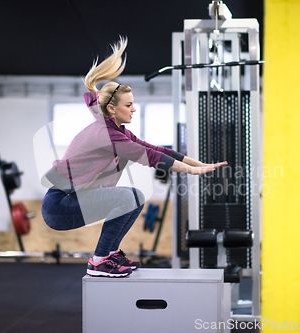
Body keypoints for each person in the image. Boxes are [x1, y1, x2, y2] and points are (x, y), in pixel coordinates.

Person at [41, 37, 227, 277]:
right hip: (60, 204)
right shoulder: (107, 135)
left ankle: (109, 254)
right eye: (128, 105)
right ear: (112, 109)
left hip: (72, 199)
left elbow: (157, 148)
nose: (133, 109)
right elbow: (150, 156)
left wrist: (199, 164)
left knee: (136, 197)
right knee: (128, 197)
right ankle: (99, 261)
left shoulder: (116, 130)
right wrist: (194, 171)